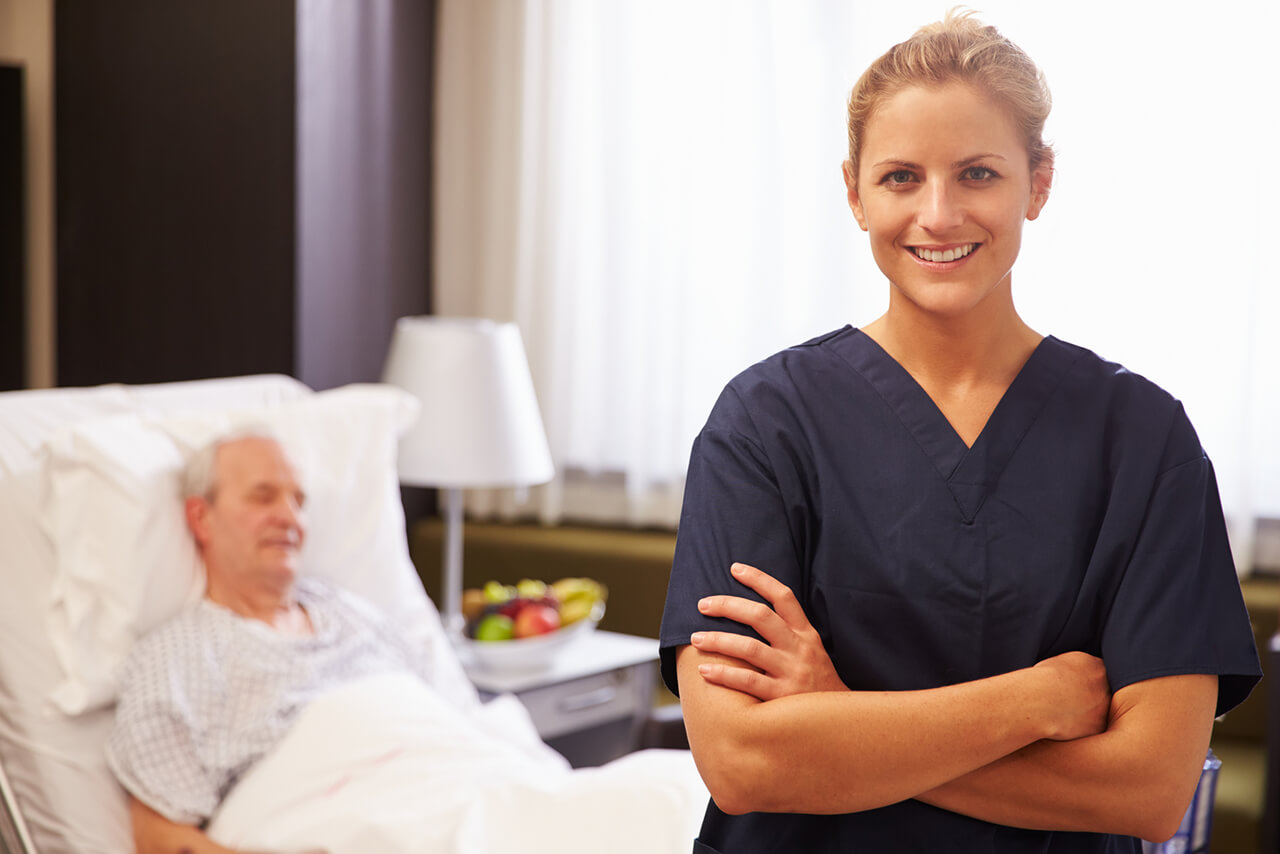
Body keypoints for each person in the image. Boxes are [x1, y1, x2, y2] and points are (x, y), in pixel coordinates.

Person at [658, 10, 1261, 854]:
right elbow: (743, 761)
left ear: (1038, 184)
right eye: (901, 177)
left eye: (977, 173)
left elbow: (1151, 789)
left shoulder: (1144, 439)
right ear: (854, 193)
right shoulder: (765, 425)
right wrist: (1030, 704)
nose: (937, 215)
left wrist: (838, 719)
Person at [106, 428, 463, 854]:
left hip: (457, 792)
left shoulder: (354, 614)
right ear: (202, 517)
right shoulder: (177, 657)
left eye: (299, 501)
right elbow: (161, 840)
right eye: (263, 497)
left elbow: (435, 729)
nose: (289, 517)